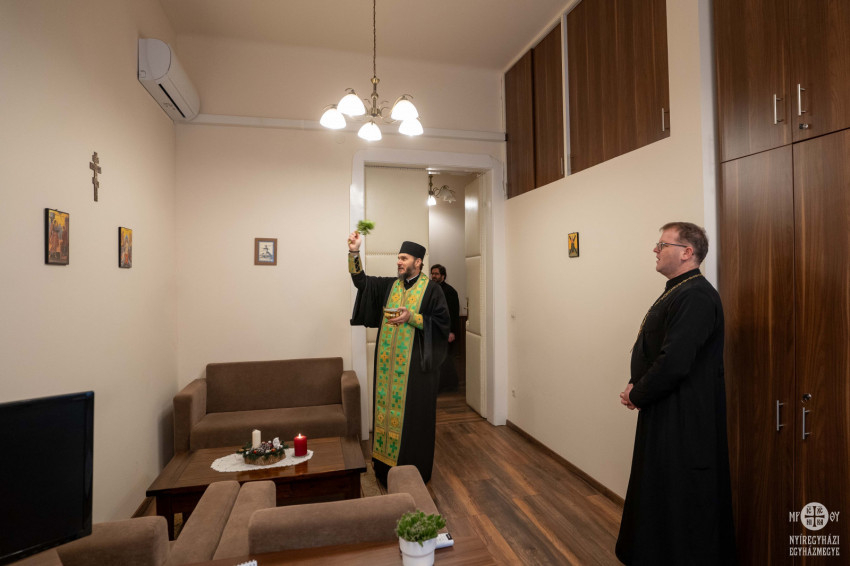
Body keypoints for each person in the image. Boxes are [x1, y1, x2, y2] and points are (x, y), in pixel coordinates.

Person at [616, 222, 736, 565]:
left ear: (687, 252)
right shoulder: (679, 290)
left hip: (684, 415)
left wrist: (638, 393)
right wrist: (637, 385)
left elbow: (675, 361)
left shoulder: (695, 295)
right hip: (666, 406)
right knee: (660, 488)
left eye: (662, 244)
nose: (655, 250)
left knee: (680, 493)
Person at [347, 232, 450, 484]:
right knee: (385, 417)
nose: (399, 262)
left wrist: (412, 318)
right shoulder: (390, 286)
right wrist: (354, 252)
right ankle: (384, 469)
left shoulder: (433, 290)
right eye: (398, 258)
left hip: (416, 372)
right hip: (387, 370)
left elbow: (442, 325)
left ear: (418, 262)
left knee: (413, 420)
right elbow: (362, 282)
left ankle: (412, 473)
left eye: (404, 258)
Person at [430, 264, 460, 391]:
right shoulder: (431, 289)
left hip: (446, 331)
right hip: (435, 330)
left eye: (436, 274)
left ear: (443, 276)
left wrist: (451, 332)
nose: (434, 276)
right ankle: (440, 385)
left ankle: (450, 385)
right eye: (432, 273)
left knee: (446, 359)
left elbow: (453, 314)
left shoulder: (450, 292)